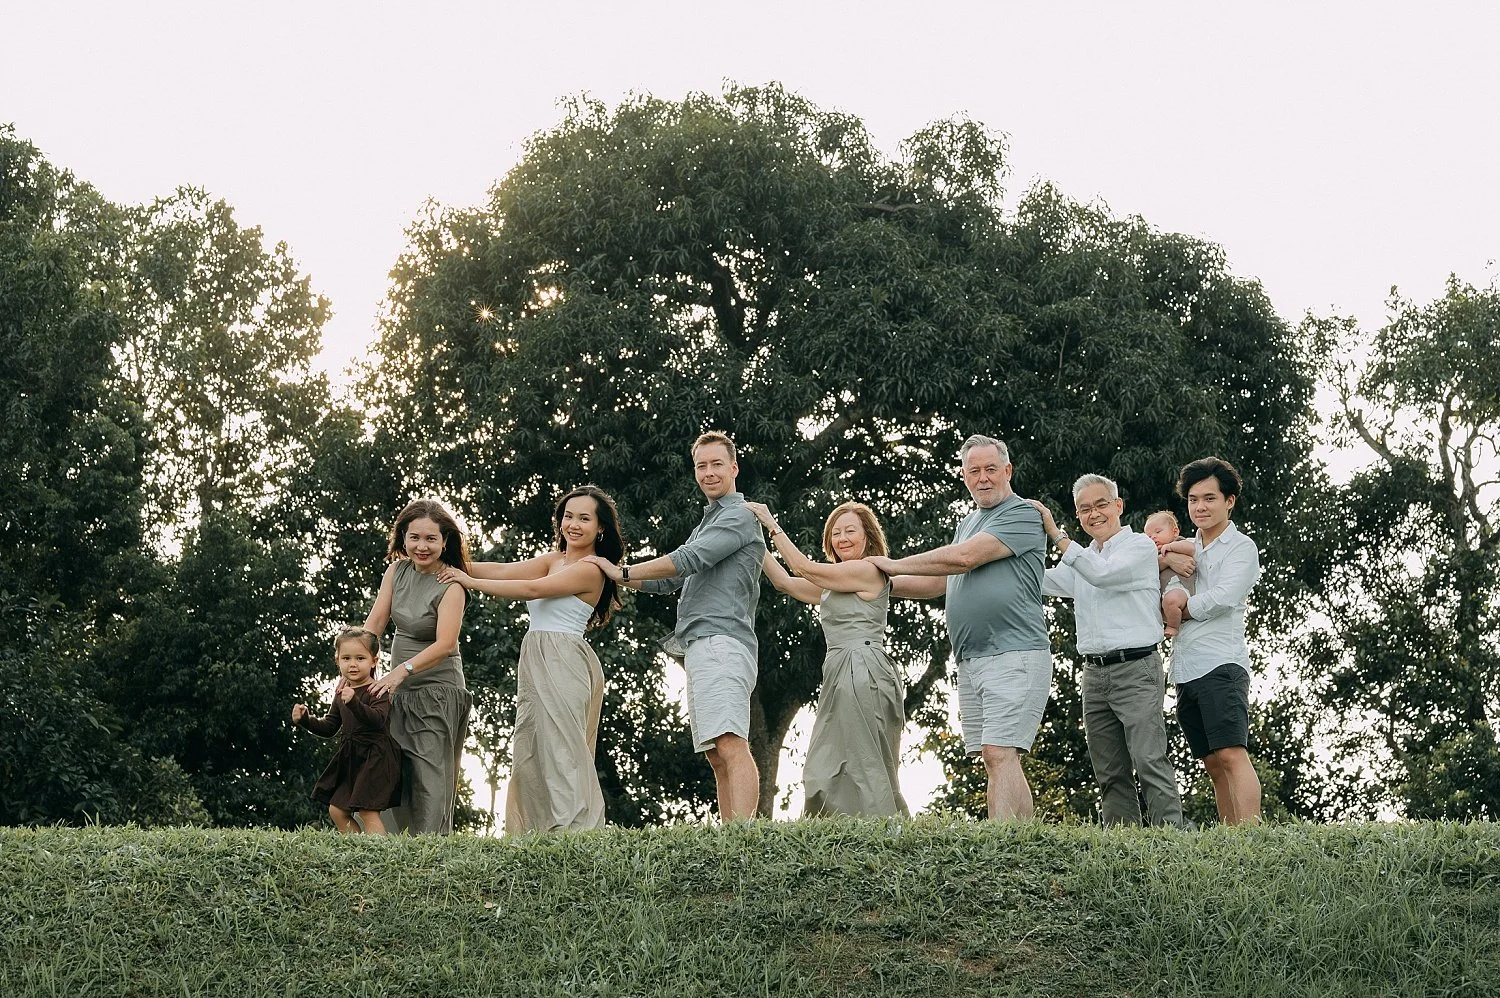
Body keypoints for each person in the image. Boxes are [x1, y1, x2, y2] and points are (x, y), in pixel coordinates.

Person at [585, 432, 764, 823]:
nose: (709, 472)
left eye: (717, 464)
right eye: (702, 465)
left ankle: (745, 838)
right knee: (716, 753)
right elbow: (670, 580)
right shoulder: (709, 520)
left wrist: (621, 570)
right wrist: (612, 575)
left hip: (722, 641)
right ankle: (730, 839)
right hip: (701, 644)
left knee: (730, 741)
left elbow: (688, 559)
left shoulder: (738, 515)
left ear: (734, 468)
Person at [869, 434, 1050, 821]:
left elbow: (965, 558)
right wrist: (879, 585)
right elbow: (941, 582)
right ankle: (1022, 840)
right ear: (964, 476)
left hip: (1015, 652)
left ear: (1007, 471)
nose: (983, 478)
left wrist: (894, 563)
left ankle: (1002, 846)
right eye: (974, 471)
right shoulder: (969, 521)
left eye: (990, 469)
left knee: (1000, 751)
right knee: (995, 756)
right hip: (972, 657)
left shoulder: (1023, 514)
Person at [439, 485, 623, 833]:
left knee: (562, 744)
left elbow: (531, 589)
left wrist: (466, 581)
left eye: (585, 518)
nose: (574, 524)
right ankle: (537, 829)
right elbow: (505, 571)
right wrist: (445, 563)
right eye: (568, 516)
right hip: (536, 656)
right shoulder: (553, 560)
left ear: (600, 528)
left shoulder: (592, 569)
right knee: (533, 741)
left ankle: (574, 830)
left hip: (564, 657)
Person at [1029, 476, 1185, 827]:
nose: (1093, 514)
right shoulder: (1084, 559)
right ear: (1079, 514)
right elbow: (1041, 581)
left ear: (1118, 506)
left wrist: (1057, 533)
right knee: (1110, 770)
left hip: (1136, 667)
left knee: (1148, 760)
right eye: (1085, 509)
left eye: (1101, 504)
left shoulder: (1139, 548)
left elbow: (1102, 575)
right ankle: (1122, 846)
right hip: (1094, 674)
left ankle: (1173, 844)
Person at [746, 499, 909, 819]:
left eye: (851, 531)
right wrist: (752, 538)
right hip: (837, 672)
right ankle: (842, 838)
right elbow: (786, 583)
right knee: (825, 768)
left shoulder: (869, 569)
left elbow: (802, 568)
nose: (843, 538)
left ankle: (887, 836)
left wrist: (771, 523)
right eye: (836, 532)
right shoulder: (832, 584)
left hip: (864, 668)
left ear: (867, 538)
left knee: (867, 765)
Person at [365, 499, 472, 835]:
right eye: (414, 538)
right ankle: (392, 850)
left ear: (445, 542)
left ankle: (432, 852)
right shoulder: (396, 571)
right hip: (396, 691)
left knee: (429, 776)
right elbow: (375, 623)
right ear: (403, 538)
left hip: (437, 690)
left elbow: (446, 645)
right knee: (394, 770)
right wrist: (357, 669)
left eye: (430, 539)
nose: (421, 546)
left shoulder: (452, 584)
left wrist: (401, 671)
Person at [1166, 456, 1263, 825]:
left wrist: (1183, 610)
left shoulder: (1241, 547)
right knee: (1210, 760)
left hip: (1221, 662)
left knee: (1231, 753)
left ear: (1229, 501)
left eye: (1209, 498)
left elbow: (1224, 596)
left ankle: (1251, 835)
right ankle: (1229, 837)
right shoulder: (1185, 549)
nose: (1200, 507)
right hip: (1185, 667)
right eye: (1193, 500)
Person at [291, 626, 403, 834]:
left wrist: (354, 702)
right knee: (337, 810)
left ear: (374, 661)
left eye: (360, 658)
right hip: (351, 758)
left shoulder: (378, 690)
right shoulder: (341, 693)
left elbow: (377, 720)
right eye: (346, 658)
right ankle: (358, 850)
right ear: (337, 661)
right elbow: (330, 726)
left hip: (376, 756)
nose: (353, 664)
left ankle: (380, 854)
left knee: (367, 810)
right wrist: (306, 720)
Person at [1144, 510, 1198, 638]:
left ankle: (1173, 626)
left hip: (1180, 588)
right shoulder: (1151, 554)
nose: (1153, 537)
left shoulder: (1179, 542)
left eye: (1158, 532)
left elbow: (1191, 549)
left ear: (1174, 531)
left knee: (1171, 601)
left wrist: (1170, 548)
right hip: (1162, 593)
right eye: (1149, 536)